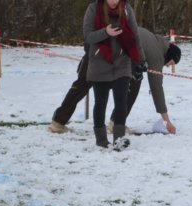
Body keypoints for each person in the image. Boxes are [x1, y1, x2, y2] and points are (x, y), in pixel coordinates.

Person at [49, 27, 180, 134]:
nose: (168, 66)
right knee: (134, 83)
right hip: (112, 56)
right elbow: (156, 88)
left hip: (96, 46)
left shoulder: (150, 37)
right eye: (171, 62)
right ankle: (117, 123)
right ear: (169, 54)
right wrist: (166, 120)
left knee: (81, 85)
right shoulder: (157, 53)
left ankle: (58, 122)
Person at [80, 0, 144, 149]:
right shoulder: (93, 10)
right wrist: (106, 32)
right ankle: (101, 139)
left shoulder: (127, 9)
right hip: (99, 63)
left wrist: (140, 60)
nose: (114, 1)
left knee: (121, 102)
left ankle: (118, 139)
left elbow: (135, 36)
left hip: (122, 63)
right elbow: (88, 36)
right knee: (100, 103)